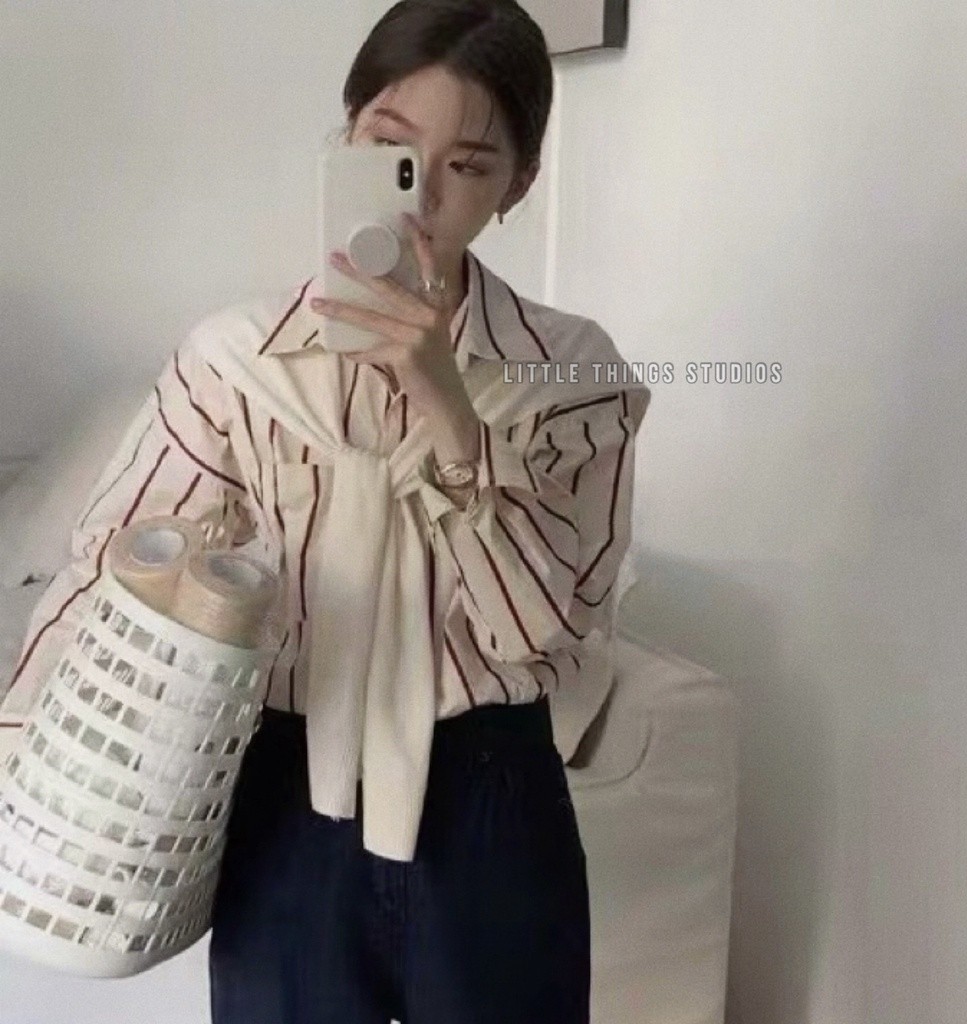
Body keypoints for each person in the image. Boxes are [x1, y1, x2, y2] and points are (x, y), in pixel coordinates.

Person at [0, 2, 651, 1021]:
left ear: (520, 185)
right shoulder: (236, 364)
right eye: (391, 149)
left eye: (469, 165)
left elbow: (549, 629)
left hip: (492, 796)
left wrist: (448, 408)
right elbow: (109, 575)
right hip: (285, 793)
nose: (423, 195)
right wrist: (18, 746)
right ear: (345, 136)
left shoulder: (571, 373)